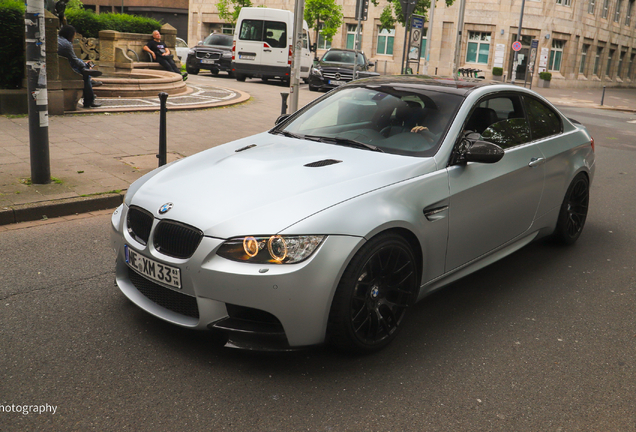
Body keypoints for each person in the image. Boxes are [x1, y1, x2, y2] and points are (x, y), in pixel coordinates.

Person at [58, 25, 103, 108]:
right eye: (74, 36)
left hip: (62, 66)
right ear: (70, 35)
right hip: (65, 70)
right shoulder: (66, 44)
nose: (74, 38)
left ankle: (89, 77)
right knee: (84, 75)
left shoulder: (58, 39)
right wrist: (85, 64)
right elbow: (74, 60)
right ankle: (89, 101)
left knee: (83, 69)